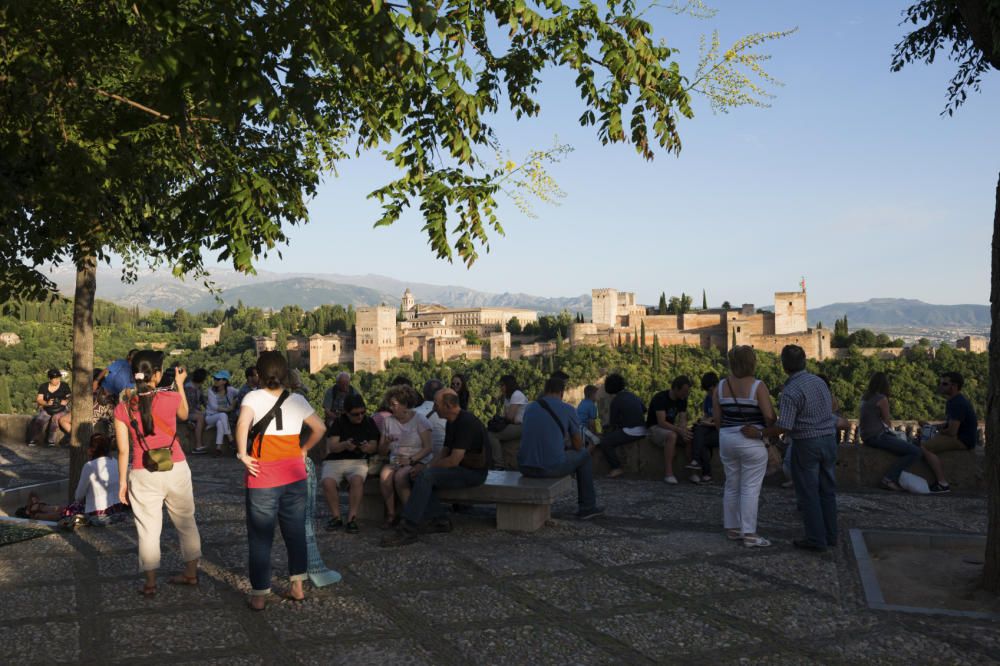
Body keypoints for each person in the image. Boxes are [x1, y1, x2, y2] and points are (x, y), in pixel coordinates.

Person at [235, 351, 326, 610]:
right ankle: (297, 586)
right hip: (294, 476)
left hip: (262, 476)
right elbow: (320, 428)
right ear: (285, 374)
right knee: (295, 532)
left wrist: (243, 454)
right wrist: (304, 448)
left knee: (260, 537)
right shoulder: (297, 399)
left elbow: (243, 424)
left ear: (259, 375)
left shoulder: (252, 396)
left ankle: (260, 595)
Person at [114, 351, 201, 596]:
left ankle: (150, 584)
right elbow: (184, 415)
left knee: (148, 530)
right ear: (158, 374)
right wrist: (181, 385)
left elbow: (123, 450)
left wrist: (122, 483)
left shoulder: (122, 408)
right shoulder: (170, 397)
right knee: (186, 522)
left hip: (142, 472)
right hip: (176, 466)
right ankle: (191, 574)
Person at [380, 389, 490, 547]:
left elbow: (453, 460)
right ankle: (439, 519)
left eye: (437, 405)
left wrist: (426, 467)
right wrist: (422, 467)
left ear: (448, 405)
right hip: (460, 468)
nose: (434, 408)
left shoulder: (466, 422)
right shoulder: (452, 421)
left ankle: (408, 528)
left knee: (425, 475)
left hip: (473, 473)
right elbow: (444, 451)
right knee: (413, 475)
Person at [754, 345, 837, 553]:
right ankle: (831, 535)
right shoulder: (819, 382)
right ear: (804, 361)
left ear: (784, 366)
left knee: (808, 493)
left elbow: (785, 426)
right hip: (829, 439)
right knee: (827, 490)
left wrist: (761, 433)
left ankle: (816, 539)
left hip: (807, 444)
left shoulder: (790, 391)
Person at [714, 346, 776, 548]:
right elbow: (768, 416)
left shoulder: (721, 386)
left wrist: (727, 432)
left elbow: (717, 419)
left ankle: (732, 528)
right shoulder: (758, 386)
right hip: (751, 441)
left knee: (732, 484)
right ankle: (749, 533)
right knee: (750, 487)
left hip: (727, 438)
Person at [519, 376, 604, 519]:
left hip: (524, 466)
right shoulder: (568, 409)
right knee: (584, 455)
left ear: (545, 390)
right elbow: (578, 445)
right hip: (549, 467)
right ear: (562, 393)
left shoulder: (530, 407)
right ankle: (588, 507)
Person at [321, 394, 379, 533]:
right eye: (355, 414)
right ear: (346, 413)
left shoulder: (369, 422)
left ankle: (351, 518)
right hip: (336, 460)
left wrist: (367, 448)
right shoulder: (339, 423)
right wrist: (345, 445)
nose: (360, 416)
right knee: (327, 482)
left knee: (357, 481)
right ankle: (336, 517)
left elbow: (374, 445)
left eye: (362, 412)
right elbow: (332, 447)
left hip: (358, 460)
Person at [377, 385, 433, 528]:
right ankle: (391, 514)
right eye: (390, 404)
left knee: (400, 477)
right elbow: (382, 451)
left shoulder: (420, 420)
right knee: (384, 476)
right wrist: (385, 443)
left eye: (394, 405)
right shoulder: (388, 422)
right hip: (396, 459)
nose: (391, 408)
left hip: (416, 459)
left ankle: (409, 516)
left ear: (405, 405)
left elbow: (428, 448)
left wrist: (411, 460)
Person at [858, 372, 923, 491]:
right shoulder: (881, 399)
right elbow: (887, 422)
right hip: (877, 436)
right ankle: (889, 478)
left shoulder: (865, 397)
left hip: (866, 436)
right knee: (915, 451)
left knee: (905, 445)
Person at [919, 371, 980, 494]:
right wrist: (933, 427)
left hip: (963, 440)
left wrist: (938, 432)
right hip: (962, 436)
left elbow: (952, 432)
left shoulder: (957, 403)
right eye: (941, 383)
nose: (941, 386)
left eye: (945, 384)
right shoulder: (954, 401)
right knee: (928, 436)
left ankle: (943, 484)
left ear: (954, 386)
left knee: (925, 447)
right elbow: (950, 424)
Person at [598, 373, 646, 478]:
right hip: (643, 428)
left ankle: (616, 468)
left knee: (605, 442)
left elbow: (613, 423)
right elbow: (644, 409)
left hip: (632, 431)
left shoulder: (616, 401)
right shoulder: (632, 395)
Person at [646, 376, 693, 484]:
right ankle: (668, 473)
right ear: (676, 388)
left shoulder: (682, 400)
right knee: (672, 436)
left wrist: (683, 430)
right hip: (655, 427)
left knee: (690, 436)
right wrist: (679, 430)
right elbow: (661, 422)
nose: (686, 394)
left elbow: (682, 419)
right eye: (684, 391)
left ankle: (693, 473)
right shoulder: (660, 398)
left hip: (669, 427)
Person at [685, 372, 720, 484]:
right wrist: (703, 420)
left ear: (716, 385)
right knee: (698, 429)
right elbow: (707, 415)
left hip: (721, 432)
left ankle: (697, 463)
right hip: (710, 430)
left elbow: (725, 422)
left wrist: (709, 423)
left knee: (699, 438)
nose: (710, 393)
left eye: (710, 390)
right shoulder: (708, 398)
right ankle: (706, 475)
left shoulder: (723, 398)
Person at [487, 374, 528, 468]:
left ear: (508, 385)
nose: (501, 387)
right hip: (514, 424)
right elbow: (507, 416)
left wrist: (509, 418)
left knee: (492, 435)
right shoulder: (507, 397)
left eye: (502, 385)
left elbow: (509, 417)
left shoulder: (517, 395)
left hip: (521, 427)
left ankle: (498, 463)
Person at [29, 368, 71, 446]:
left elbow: (69, 397)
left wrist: (65, 401)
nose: (57, 380)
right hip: (47, 408)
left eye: (58, 378)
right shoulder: (43, 386)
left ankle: (51, 441)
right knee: (39, 420)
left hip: (61, 409)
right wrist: (47, 403)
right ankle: (34, 439)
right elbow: (39, 399)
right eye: (55, 378)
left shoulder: (64, 386)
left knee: (55, 418)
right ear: (49, 379)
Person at [205, 369, 238, 456]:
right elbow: (213, 406)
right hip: (210, 417)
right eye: (215, 378)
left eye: (218, 379)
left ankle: (218, 448)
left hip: (222, 419)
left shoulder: (230, 390)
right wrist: (228, 409)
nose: (215, 380)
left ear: (224, 381)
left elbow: (240, 394)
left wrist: (234, 403)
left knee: (220, 423)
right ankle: (231, 440)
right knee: (223, 415)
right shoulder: (210, 391)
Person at [414, 379, 447, 457]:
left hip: (417, 460)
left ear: (424, 394)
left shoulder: (412, 413)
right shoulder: (448, 415)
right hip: (441, 461)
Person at [185, 368, 210, 454]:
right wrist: (201, 412)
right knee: (201, 417)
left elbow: (204, 401)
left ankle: (192, 423)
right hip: (187, 412)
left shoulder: (198, 387)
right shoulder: (189, 388)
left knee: (207, 415)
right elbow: (189, 407)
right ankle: (198, 446)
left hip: (195, 411)